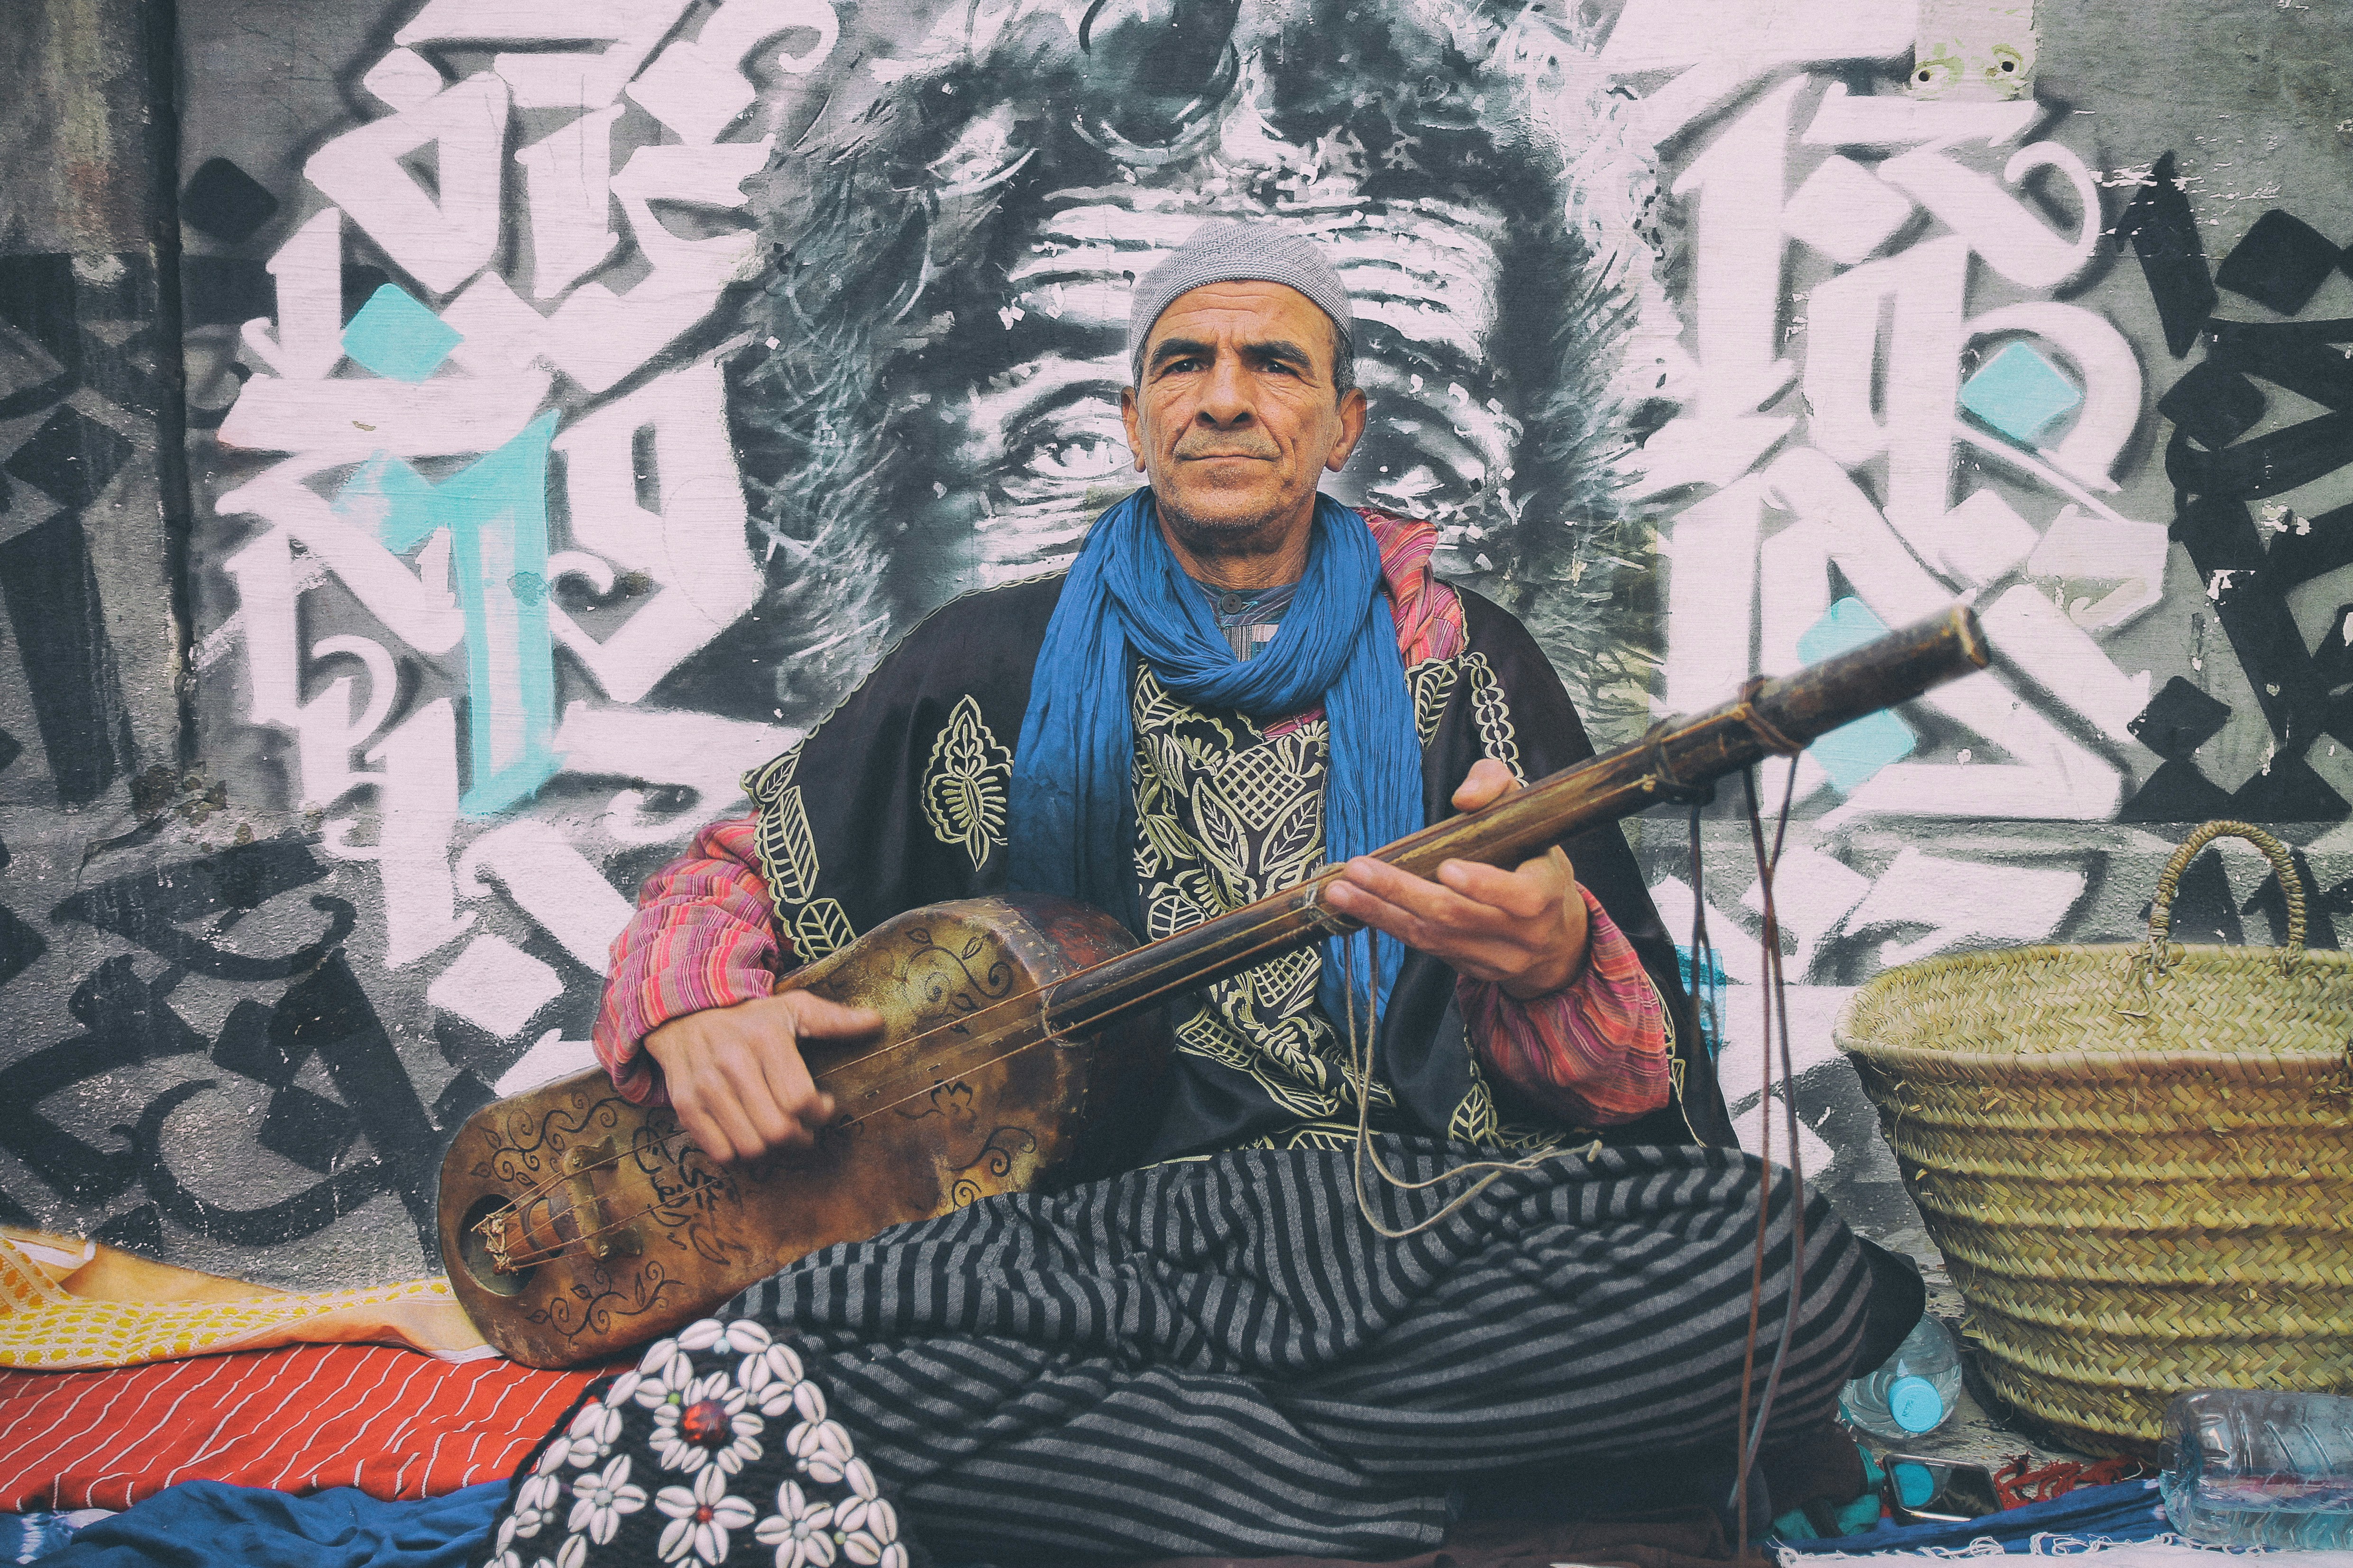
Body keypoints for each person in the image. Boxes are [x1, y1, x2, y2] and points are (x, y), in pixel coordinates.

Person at [480, 223, 1894, 1568]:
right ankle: (1372, 1493)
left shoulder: (1471, 665)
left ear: (1340, 424)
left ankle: (1214, 1485)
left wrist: (1552, 965)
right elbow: (731, 875)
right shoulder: (981, 659)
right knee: (800, 1331)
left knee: (1778, 1265)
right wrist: (697, 1012)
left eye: (1273, 363)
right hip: (1073, 1256)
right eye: (1183, 364)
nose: (1224, 398)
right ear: (1136, 418)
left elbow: (1628, 1086)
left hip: (1413, 1233)